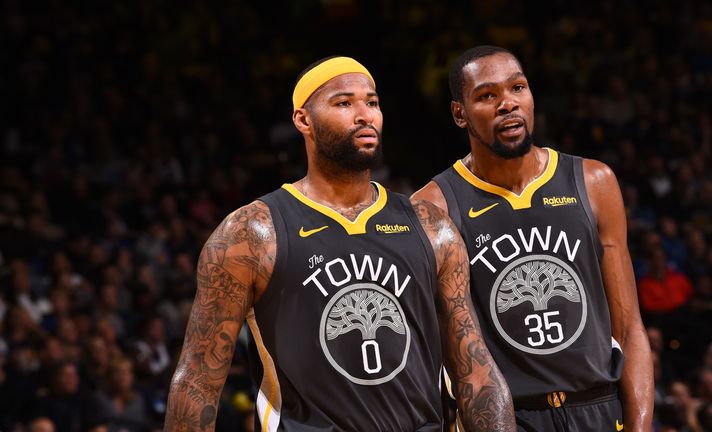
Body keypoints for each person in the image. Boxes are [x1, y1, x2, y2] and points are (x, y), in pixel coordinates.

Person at [165, 56, 516, 431]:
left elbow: (477, 373)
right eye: (344, 103)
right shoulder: (251, 234)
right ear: (303, 121)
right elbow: (198, 381)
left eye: (373, 102)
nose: (365, 115)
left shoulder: (432, 229)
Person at [412, 45, 653, 431]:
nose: (508, 104)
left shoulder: (594, 182)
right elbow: (441, 353)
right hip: (508, 417)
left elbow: (628, 329)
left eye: (517, 88)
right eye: (488, 95)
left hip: (598, 408)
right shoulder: (432, 206)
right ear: (460, 113)